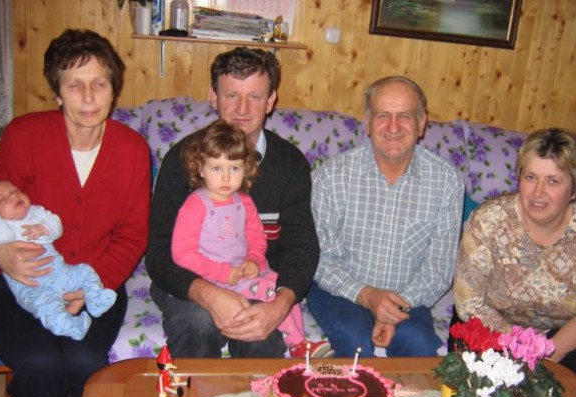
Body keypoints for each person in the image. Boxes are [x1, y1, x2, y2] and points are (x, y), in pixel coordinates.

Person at [0, 29, 150, 397]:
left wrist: (90, 284)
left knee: (81, 361)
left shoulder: (132, 149)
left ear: (114, 88)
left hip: (95, 281)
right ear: (57, 91)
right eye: (75, 84)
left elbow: (133, 235)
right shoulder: (24, 135)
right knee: (39, 364)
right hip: (17, 285)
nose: (89, 96)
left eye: (99, 83)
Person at [146, 47, 320, 359]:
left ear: (270, 102)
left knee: (260, 335)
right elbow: (159, 253)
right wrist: (207, 293)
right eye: (231, 95)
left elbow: (302, 246)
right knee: (198, 322)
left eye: (254, 96)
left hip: (256, 282)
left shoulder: (290, 163)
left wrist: (279, 306)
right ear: (213, 97)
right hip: (191, 280)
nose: (242, 108)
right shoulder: (182, 159)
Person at [452, 128, 576, 397]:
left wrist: (550, 349)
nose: (538, 192)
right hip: (491, 327)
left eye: (553, 181)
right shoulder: (488, 221)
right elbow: (469, 302)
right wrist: (520, 347)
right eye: (531, 178)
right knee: (483, 389)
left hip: (558, 333)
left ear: (575, 188)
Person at [306, 76, 465, 358]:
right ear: (367, 122)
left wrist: (394, 309)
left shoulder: (446, 182)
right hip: (340, 291)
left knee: (418, 343)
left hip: (406, 296)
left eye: (404, 116)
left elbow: (439, 269)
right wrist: (368, 296)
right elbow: (318, 258)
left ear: (421, 122)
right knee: (357, 342)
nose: (393, 127)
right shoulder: (334, 175)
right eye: (383, 116)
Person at [171, 120, 331, 358]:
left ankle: (297, 343)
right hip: (208, 278)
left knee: (279, 284)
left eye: (234, 168)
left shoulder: (244, 202)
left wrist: (254, 260)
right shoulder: (195, 205)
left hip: (241, 275)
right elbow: (182, 253)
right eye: (216, 168)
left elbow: (257, 238)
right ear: (200, 169)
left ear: (245, 169)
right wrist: (222, 273)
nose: (226, 178)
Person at [0, 180, 117, 340]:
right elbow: (0, 239)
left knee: (85, 271)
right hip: (34, 287)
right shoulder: (2, 225)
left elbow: (56, 227)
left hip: (62, 273)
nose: (13, 196)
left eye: (15, 191)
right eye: (3, 199)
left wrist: (42, 228)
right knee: (47, 309)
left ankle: (96, 299)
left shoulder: (36, 212)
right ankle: (71, 327)